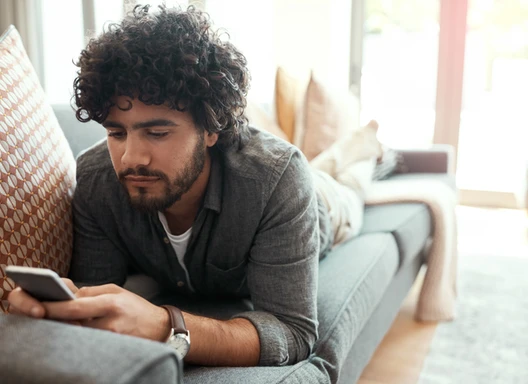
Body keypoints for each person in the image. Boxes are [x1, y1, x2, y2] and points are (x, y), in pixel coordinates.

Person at [8, 5, 382, 368]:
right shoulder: (96, 179)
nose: (130, 158)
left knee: (347, 183)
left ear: (210, 129)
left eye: (157, 132)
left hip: (325, 207)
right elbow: (98, 295)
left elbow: (293, 333)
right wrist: (59, 312)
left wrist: (166, 325)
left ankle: (366, 151)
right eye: (116, 132)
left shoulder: (277, 178)